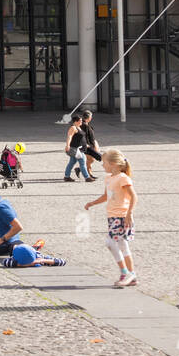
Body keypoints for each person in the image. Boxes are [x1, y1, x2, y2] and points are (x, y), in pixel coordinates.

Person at [84, 147, 138, 288]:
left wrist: (129, 213)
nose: (102, 165)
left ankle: (128, 273)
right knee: (118, 244)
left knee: (114, 243)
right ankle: (128, 273)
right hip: (112, 216)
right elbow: (106, 196)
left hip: (121, 216)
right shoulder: (109, 178)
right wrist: (92, 203)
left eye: (104, 163)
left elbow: (133, 196)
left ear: (113, 164)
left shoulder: (123, 178)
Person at [64, 115, 91, 182]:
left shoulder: (78, 127)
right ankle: (87, 177)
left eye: (81, 120)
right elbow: (69, 136)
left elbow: (80, 138)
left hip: (79, 148)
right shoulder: (73, 128)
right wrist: (67, 145)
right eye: (80, 120)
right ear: (75, 121)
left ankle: (66, 176)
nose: (81, 121)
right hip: (75, 149)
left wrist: (85, 144)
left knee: (71, 163)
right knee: (82, 161)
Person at [0, 245, 66, 269]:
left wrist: (22, 264)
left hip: (26, 249)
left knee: (12, 246)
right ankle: (34, 247)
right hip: (30, 250)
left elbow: (5, 262)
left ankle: (34, 247)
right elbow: (62, 262)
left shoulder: (14, 259)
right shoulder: (39, 259)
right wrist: (41, 261)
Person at [79, 108, 103, 177]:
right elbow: (83, 136)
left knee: (90, 159)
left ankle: (87, 173)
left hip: (90, 145)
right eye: (91, 117)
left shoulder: (86, 124)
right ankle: (86, 173)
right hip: (88, 146)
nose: (91, 118)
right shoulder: (84, 126)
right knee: (94, 158)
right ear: (89, 117)